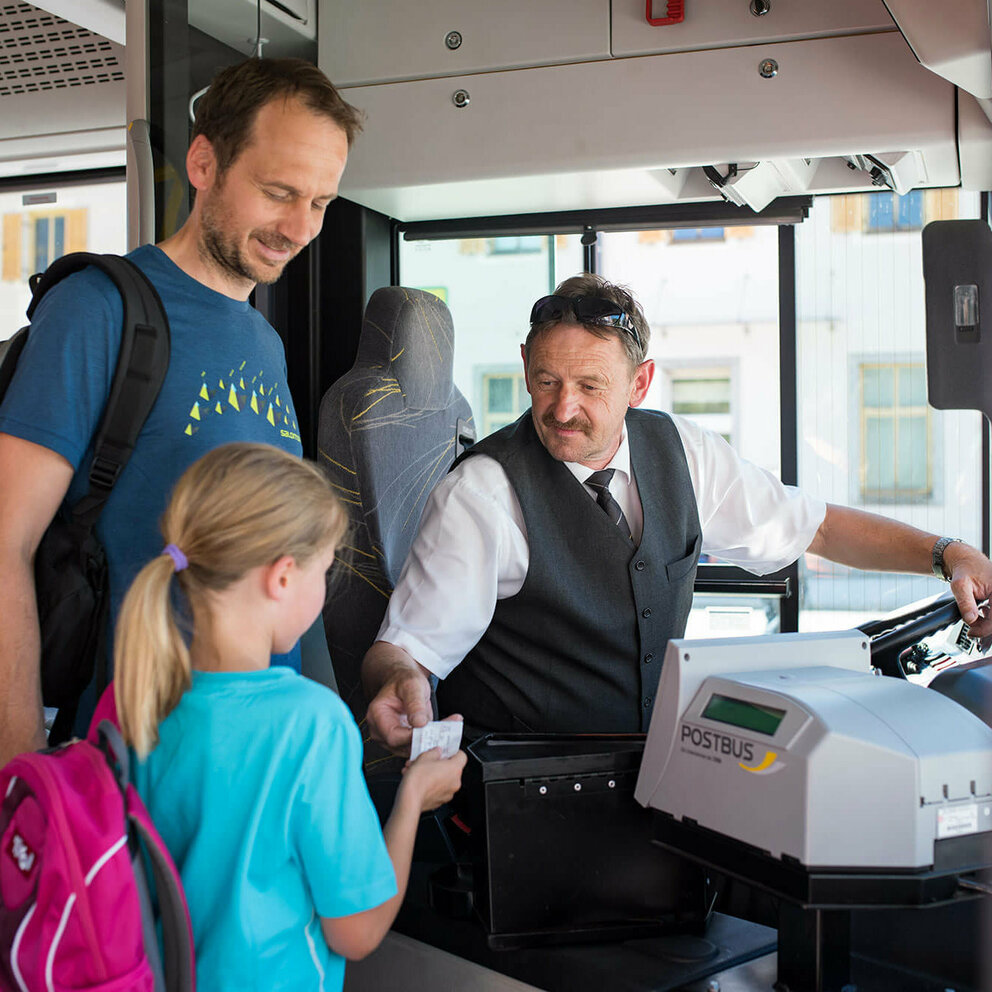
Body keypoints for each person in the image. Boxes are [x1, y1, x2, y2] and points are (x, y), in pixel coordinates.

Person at [362, 273, 992, 749]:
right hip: (526, 786)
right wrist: (400, 681)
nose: (561, 409)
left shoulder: (683, 453)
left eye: (589, 386)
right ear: (525, 366)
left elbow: (816, 526)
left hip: (655, 765)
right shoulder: (481, 495)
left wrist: (947, 555)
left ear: (640, 384)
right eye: (547, 380)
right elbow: (406, 650)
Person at [0, 57, 363, 763]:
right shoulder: (98, 309)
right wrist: (18, 773)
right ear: (204, 163)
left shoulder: (263, 341)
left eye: (320, 202)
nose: (299, 227)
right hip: (132, 761)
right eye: (278, 192)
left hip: (258, 761)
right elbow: (4, 540)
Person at [110, 442, 465, 990]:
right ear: (281, 577)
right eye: (322, 571)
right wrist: (414, 797)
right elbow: (358, 932)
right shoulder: (310, 723)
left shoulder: (136, 699)